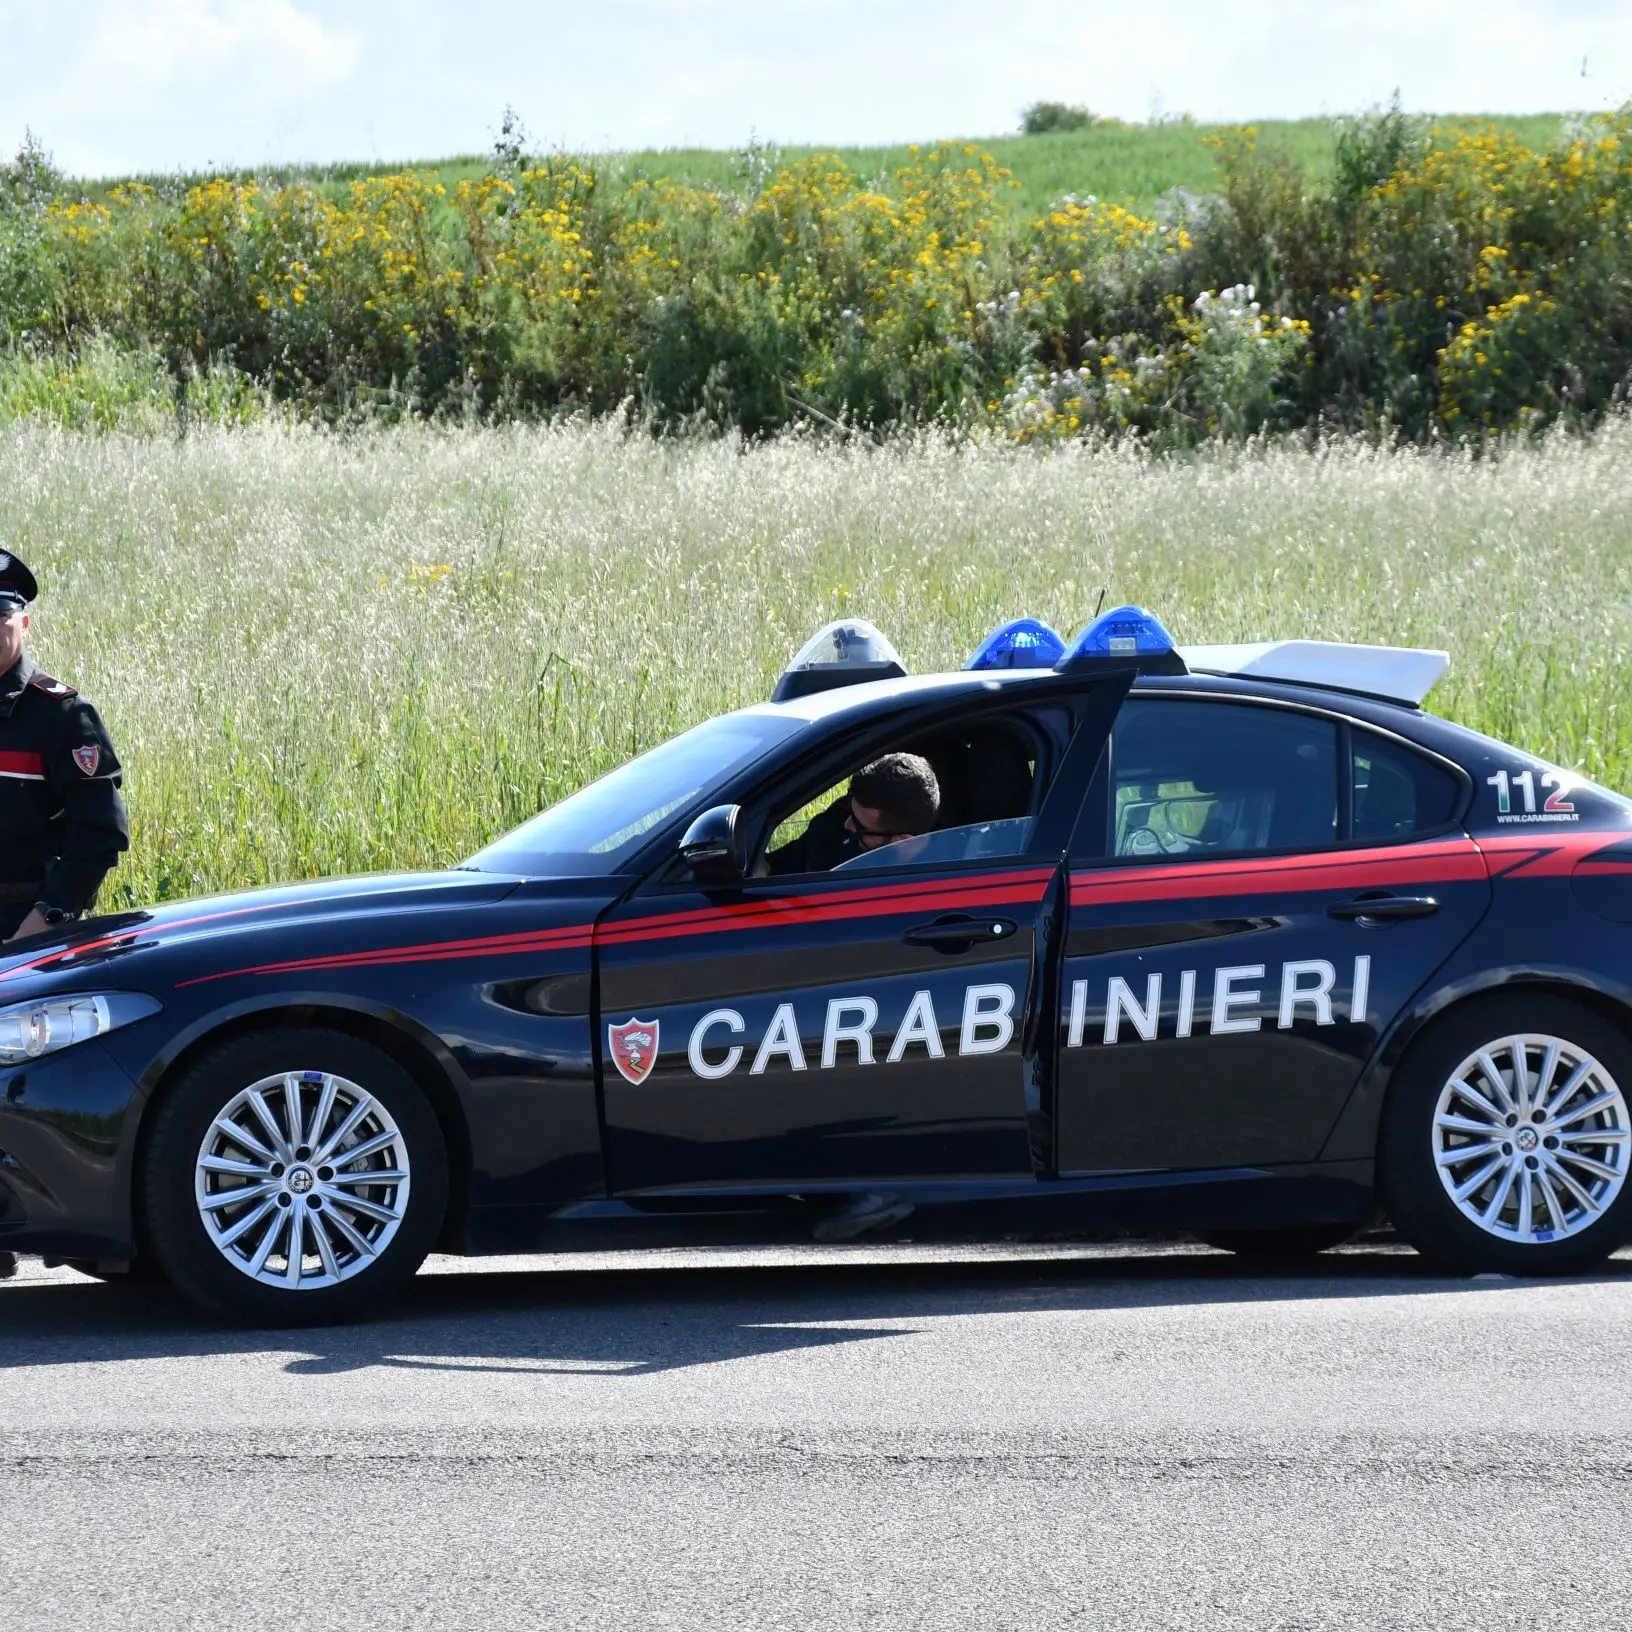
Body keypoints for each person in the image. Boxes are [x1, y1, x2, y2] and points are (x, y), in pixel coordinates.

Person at [0, 549, 129, 944]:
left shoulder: (63, 716)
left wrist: (42, 926)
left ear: (24, 623)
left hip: (22, 934)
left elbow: (98, 837)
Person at [765, 752, 940, 875]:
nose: (847, 824)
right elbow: (776, 866)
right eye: (850, 807)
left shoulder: (939, 884)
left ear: (903, 842)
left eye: (859, 825)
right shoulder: (837, 820)